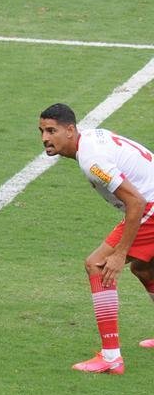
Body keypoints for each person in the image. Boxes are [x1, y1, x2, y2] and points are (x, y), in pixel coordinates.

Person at [39, 103, 154, 373]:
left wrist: (118, 254)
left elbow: (136, 203)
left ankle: (111, 357)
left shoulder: (93, 161)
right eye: (42, 131)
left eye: (51, 130)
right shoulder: (91, 141)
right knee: (144, 267)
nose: (45, 137)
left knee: (97, 264)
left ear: (70, 130)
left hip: (150, 205)